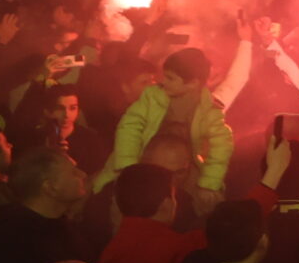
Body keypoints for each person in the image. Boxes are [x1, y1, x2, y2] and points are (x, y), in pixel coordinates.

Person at [95, 48, 233, 198]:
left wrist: (208, 184)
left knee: (206, 201)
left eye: (170, 78)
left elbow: (221, 148)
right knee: (111, 194)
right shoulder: (152, 97)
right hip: (142, 161)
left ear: (193, 83)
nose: (163, 81)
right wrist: (128, 166)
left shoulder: (210, 111)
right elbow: (129, 127)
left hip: (183, 170)